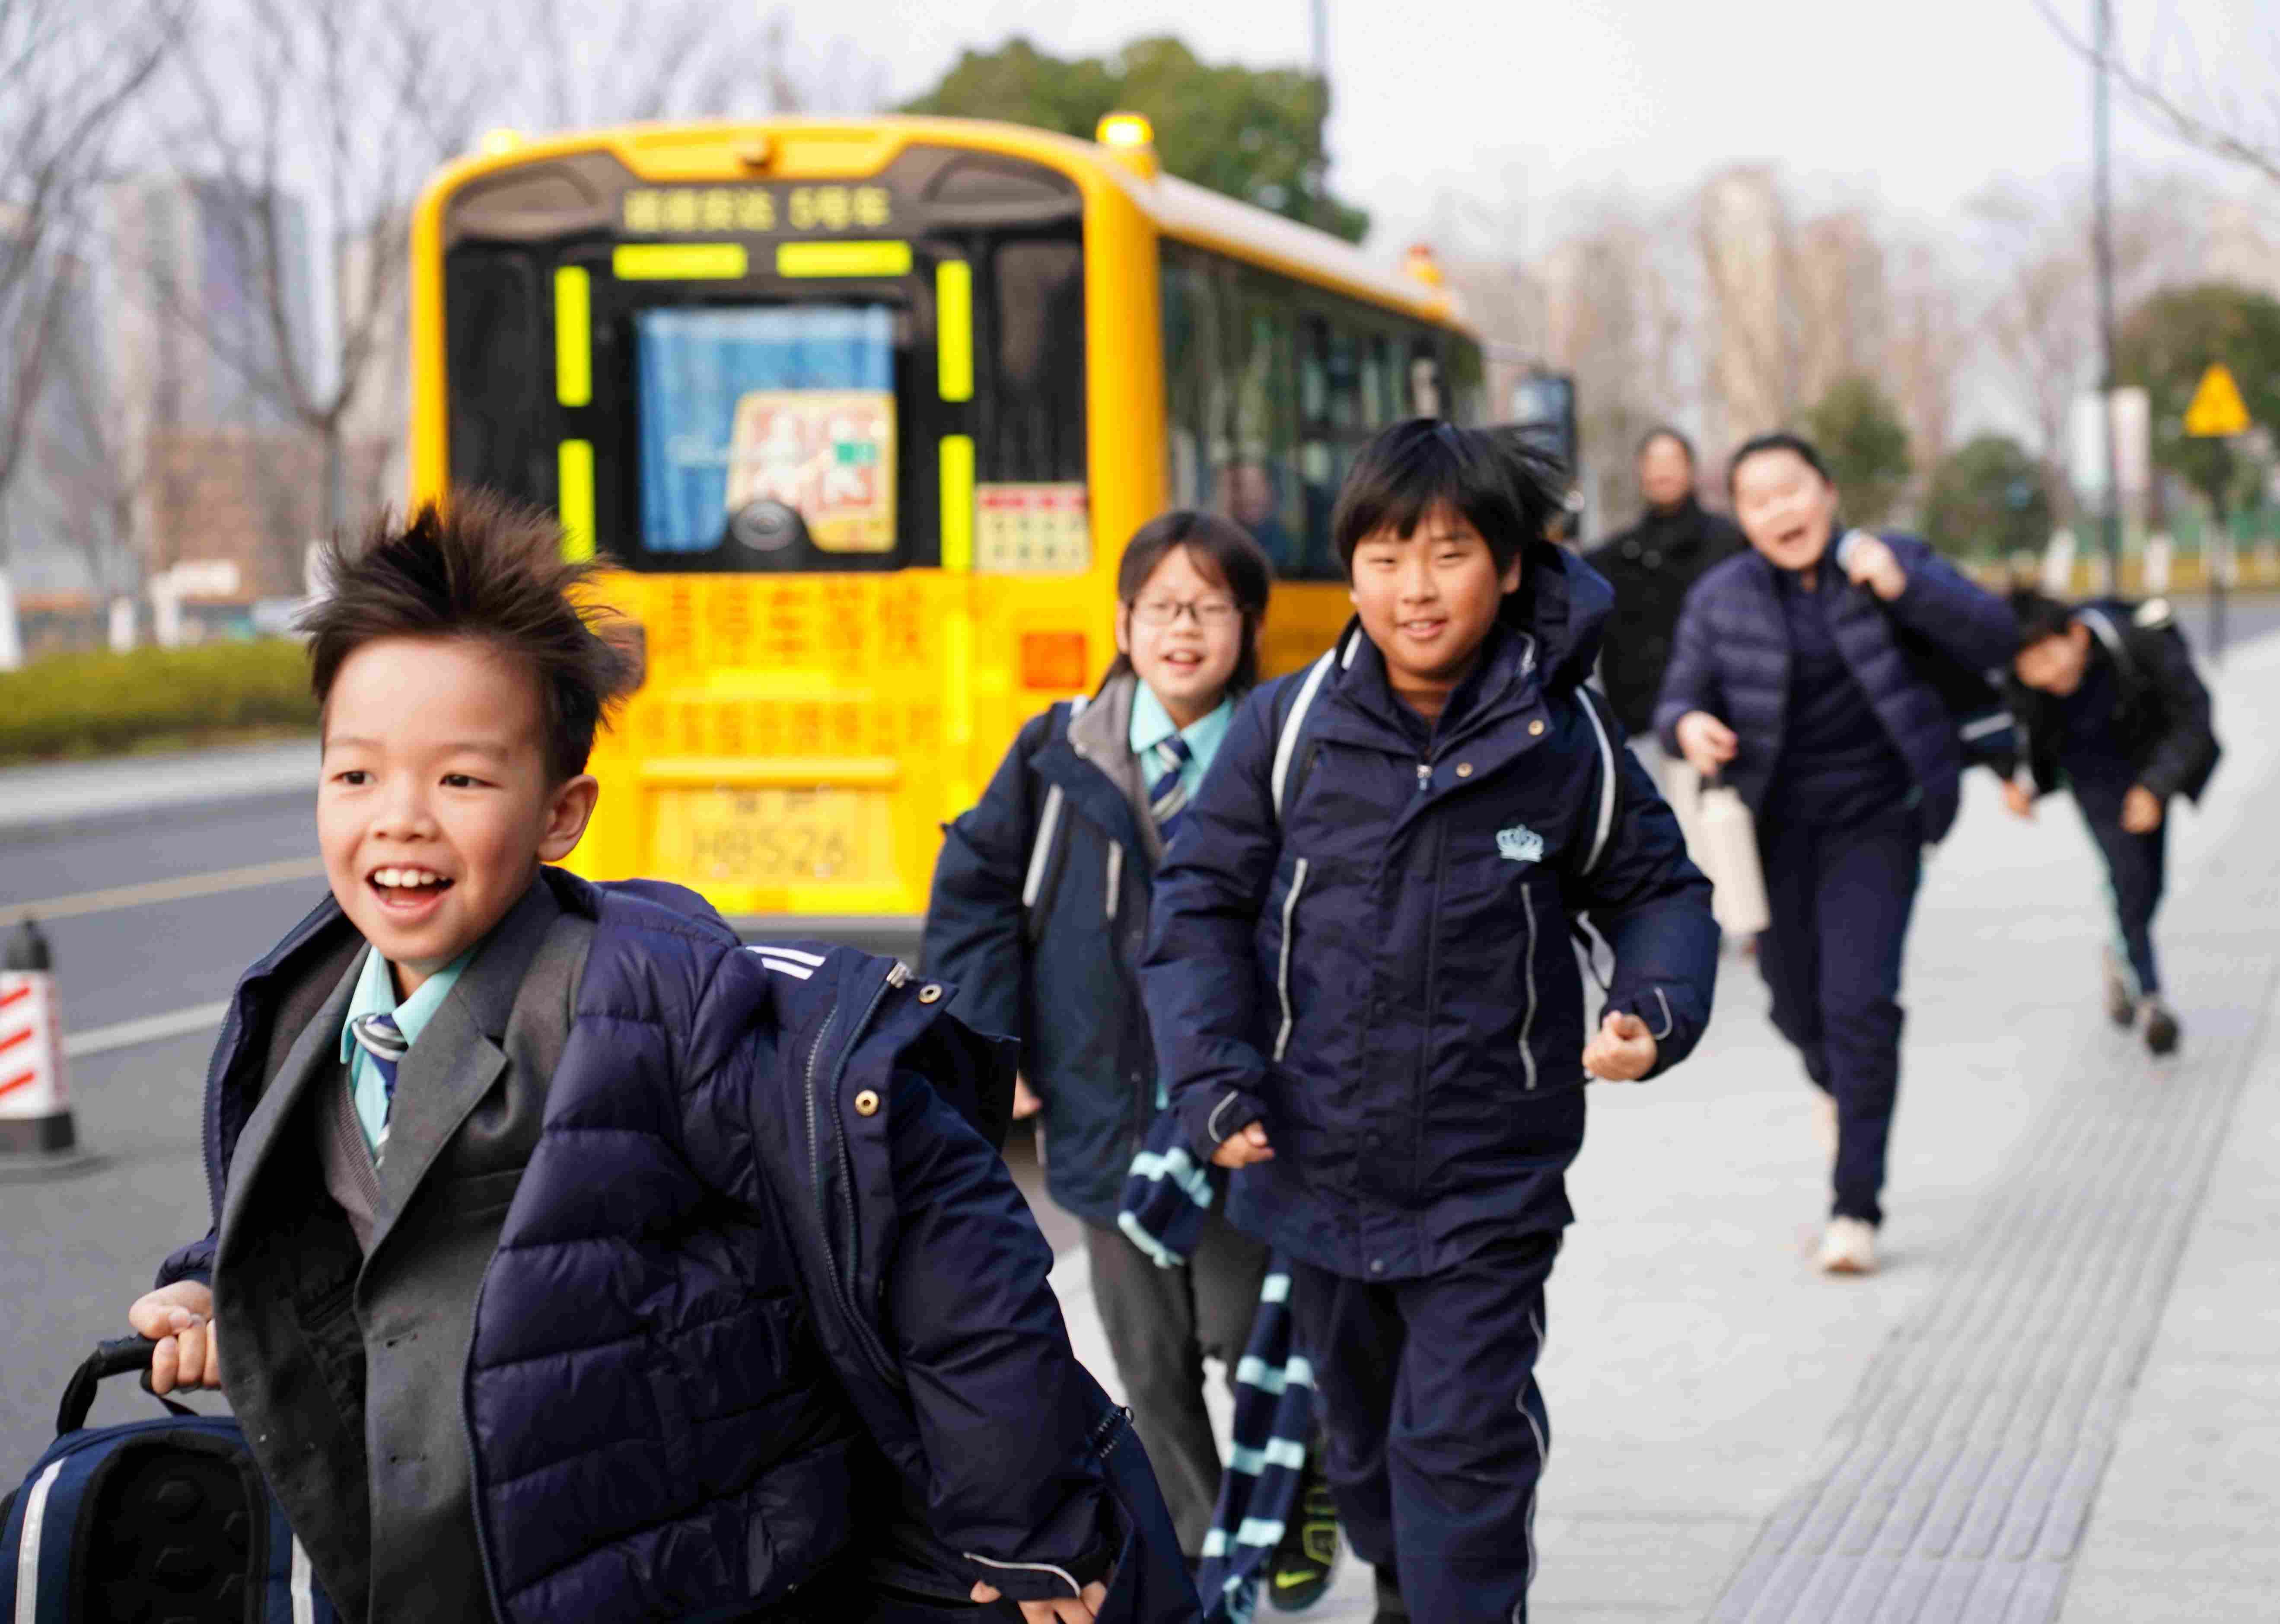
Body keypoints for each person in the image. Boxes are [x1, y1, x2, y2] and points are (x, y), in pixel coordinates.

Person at [125, 494, 1194, 1624]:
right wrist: (212, 1281)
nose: (400, 819)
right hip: (431, 1567)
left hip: (681, 1572)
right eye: (356, 777)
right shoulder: (304, 1014)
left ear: (562, 814)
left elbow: (940, 1234)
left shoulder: (658, 1004)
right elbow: (340, 1211)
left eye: (461, 780)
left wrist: (1027, 1525)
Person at [1144, 419, 1720, 1624]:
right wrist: (1213, 1077)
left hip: (1487, 1179)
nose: (1416, 587)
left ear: (1507, 568)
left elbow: (1659, 891)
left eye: (1449, 553)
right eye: (1387, 556)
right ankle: (1405, 1577)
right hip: (1316, 1168)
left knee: (1462, 1450)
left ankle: (1451, 1593)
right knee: (1364, 1453)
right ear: (1351, 569)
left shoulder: (1565, 743)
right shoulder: (1290, 731)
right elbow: (1198, 905)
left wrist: (1651, 1009)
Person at [921, 510, 1340, 1606]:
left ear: (1249, 626)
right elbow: (974, 897)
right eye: (1161, 607)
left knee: (1244, 1330)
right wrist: (992, 1045)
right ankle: (1203, 1546)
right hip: (1103, 1104)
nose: (1183, 630)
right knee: (1149, 1362)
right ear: (1123, 622)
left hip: (1239, 1106)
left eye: (1209, 608)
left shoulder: (1289, 749)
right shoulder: (1058, 750)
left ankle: (1300, 1481)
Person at [1655, 432, 2016, 1278]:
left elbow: (1997, 636)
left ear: (1827, 491)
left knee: (1860, 1005)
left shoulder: (1892, 561)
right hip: (1770, 831)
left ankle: (1855, 1206)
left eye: (1793, 489)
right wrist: (1688, 725)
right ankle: (1840, 1086)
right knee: (1793, 1004)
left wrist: (1905, 587)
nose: (1781, 510)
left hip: (1878, 821)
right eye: (1759, 500)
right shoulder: (1721, 596)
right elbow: (1679, 696)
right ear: (1743, 519)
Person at [2000, 587, 2223, 1056]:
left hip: (2148, 761)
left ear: (2077, 635)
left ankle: (2120, 952)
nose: (2044, 675)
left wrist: (2156, 788)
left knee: (2151, 883)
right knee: (2129, 875)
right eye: (2030, 667)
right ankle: (2151, 1001)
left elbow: (2193, 714)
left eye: (2049, 658)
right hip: (2091, 777)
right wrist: (2018, 782)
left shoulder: (2137, 642)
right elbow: (2007, 730)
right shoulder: (2023, 680)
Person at [1586, 426, 1745, 748]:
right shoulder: (1617, 555)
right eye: (1653, 461)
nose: (1662, 471)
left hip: (1716, 725)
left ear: (1691, 468)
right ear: (1640, 471)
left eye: (1672, 460)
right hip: (1637, 728)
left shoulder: (1731, 543)